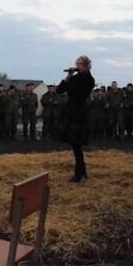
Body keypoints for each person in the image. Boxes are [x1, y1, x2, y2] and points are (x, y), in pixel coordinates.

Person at [57, 55, 95, 183]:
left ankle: (78, 174)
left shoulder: (89, 79)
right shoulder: (75, 78)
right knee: (75, 145)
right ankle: (82, 171)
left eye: (80, 64)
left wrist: (72, 80)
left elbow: (79, 93)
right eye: (77, 64)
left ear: (86, 66)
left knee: (76, 143)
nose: (77, 66)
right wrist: (68, 77)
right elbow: (59, 90)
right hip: (71, 113)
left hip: (80, 114)